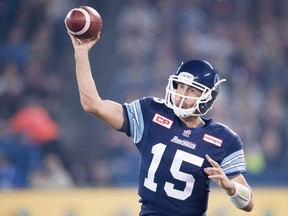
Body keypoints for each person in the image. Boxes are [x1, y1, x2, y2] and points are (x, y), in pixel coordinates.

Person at [67, 32, 255, 216]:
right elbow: (93, 105)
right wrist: (81, 53)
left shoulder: (223, 139)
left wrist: (231, 187)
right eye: (180, 86)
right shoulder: (151, 112)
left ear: (207, 97)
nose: (182, 93)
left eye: (191, 90)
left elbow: (248, 204)